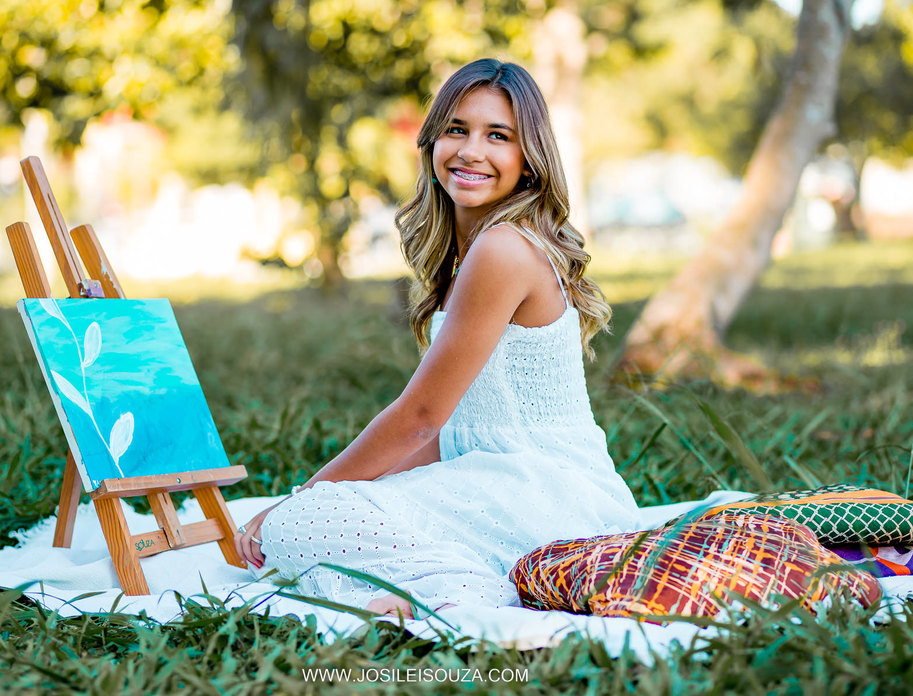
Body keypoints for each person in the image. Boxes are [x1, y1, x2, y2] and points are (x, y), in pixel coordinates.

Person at [233, 58, 639, 618]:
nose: (471, 150)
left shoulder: (501, 250)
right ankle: (449, 574)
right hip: (514, 479)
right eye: (457, 129)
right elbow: (444, 430)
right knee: (318, 514)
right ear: (432, 142)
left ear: (529, 161)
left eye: (498, 136)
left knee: (301, 522)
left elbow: (420, 416)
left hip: (548, 492)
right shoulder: (479, 251)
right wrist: (331, 495)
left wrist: (302, 498)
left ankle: (463, 588)